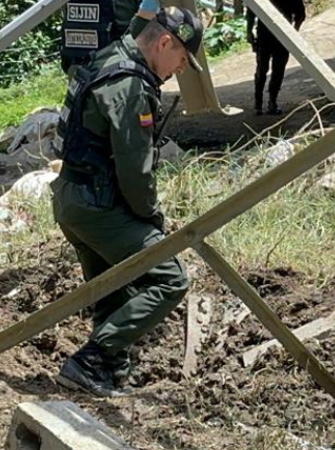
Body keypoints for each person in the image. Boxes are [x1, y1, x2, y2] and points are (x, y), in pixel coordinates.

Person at [51, 6, 203, 397]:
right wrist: (152, 218)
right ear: (165, 42)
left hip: (72, 199)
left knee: (109, 287)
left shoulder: (112, 54)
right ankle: (89, 360)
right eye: (183, 59)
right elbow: (136, 172)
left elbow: (138, 23)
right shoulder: (132, 86)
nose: (181, 70)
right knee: (170, 278)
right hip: (97, 205)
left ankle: (107, 370)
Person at [246, 0, 306, 115]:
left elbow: (251, 11)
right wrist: (294, 31)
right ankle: (271, 103)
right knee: (277, 70)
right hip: (281, 35)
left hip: (265, 35)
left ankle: (259, 104)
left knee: (262, 69)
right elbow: (301, 15)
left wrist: (249, 31)